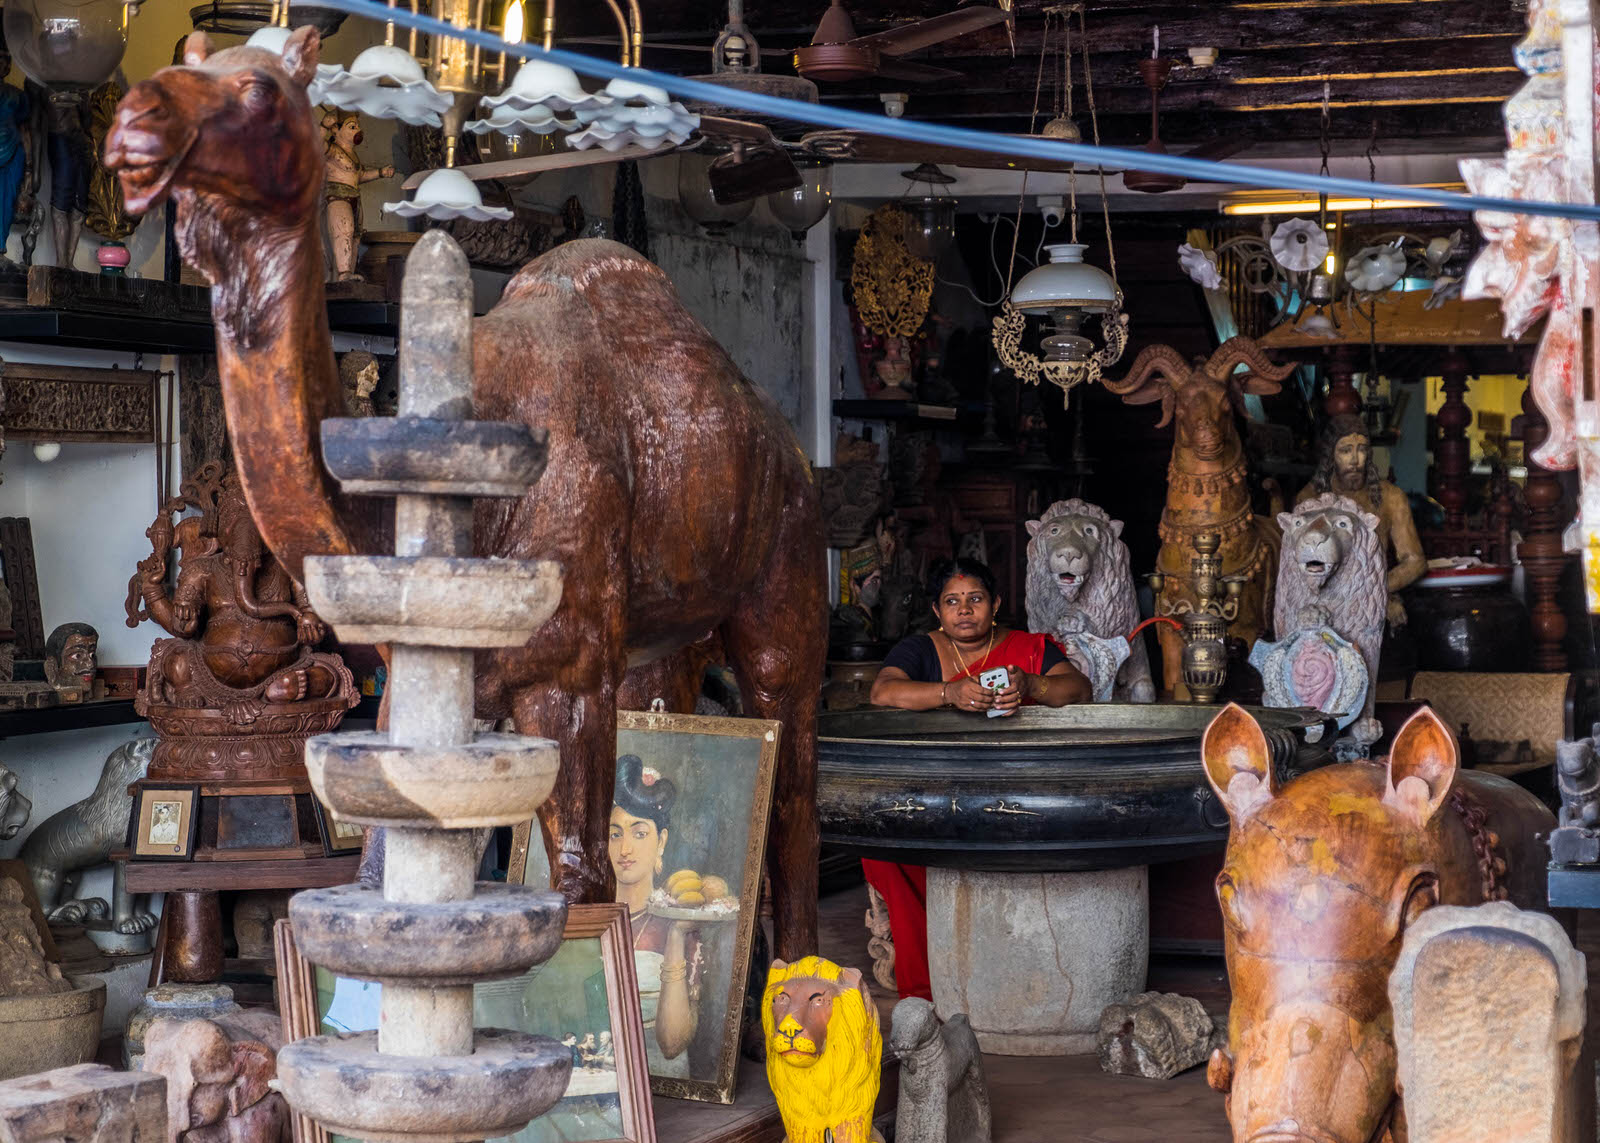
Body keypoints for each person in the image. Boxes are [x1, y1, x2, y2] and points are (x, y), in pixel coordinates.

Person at [864, 557, 1091, 1000]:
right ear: (936, 611)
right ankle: (928, 989)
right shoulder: (919, 650)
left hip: (1018, 786)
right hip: (938, 787)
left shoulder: (1029, 648)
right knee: (891, 850)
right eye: (952, 601)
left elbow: (1078, 688)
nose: (964, 610)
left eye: (975, 599)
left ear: (996, 604)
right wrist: (948, 693)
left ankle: (1020, 983)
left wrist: (1030, 686)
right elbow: (883, 691)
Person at [608, 754, 701, 1077]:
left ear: (661, 841)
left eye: (639, 833)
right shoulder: (588, 915)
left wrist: (676, 937)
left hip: (661, 1077)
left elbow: (672, 1044)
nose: (625, 850)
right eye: (615, 833)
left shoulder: (674, 920)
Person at [1296, 414, 1426, 626]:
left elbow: (1415, 561)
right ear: (1330, 455)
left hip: (1375, 595)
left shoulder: (1391, 497)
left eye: (1362, 449)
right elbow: (1300, 568)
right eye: (1345, 451)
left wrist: (1377, 590)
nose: (1355, 460)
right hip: (1325, 603)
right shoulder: (1309, 499)